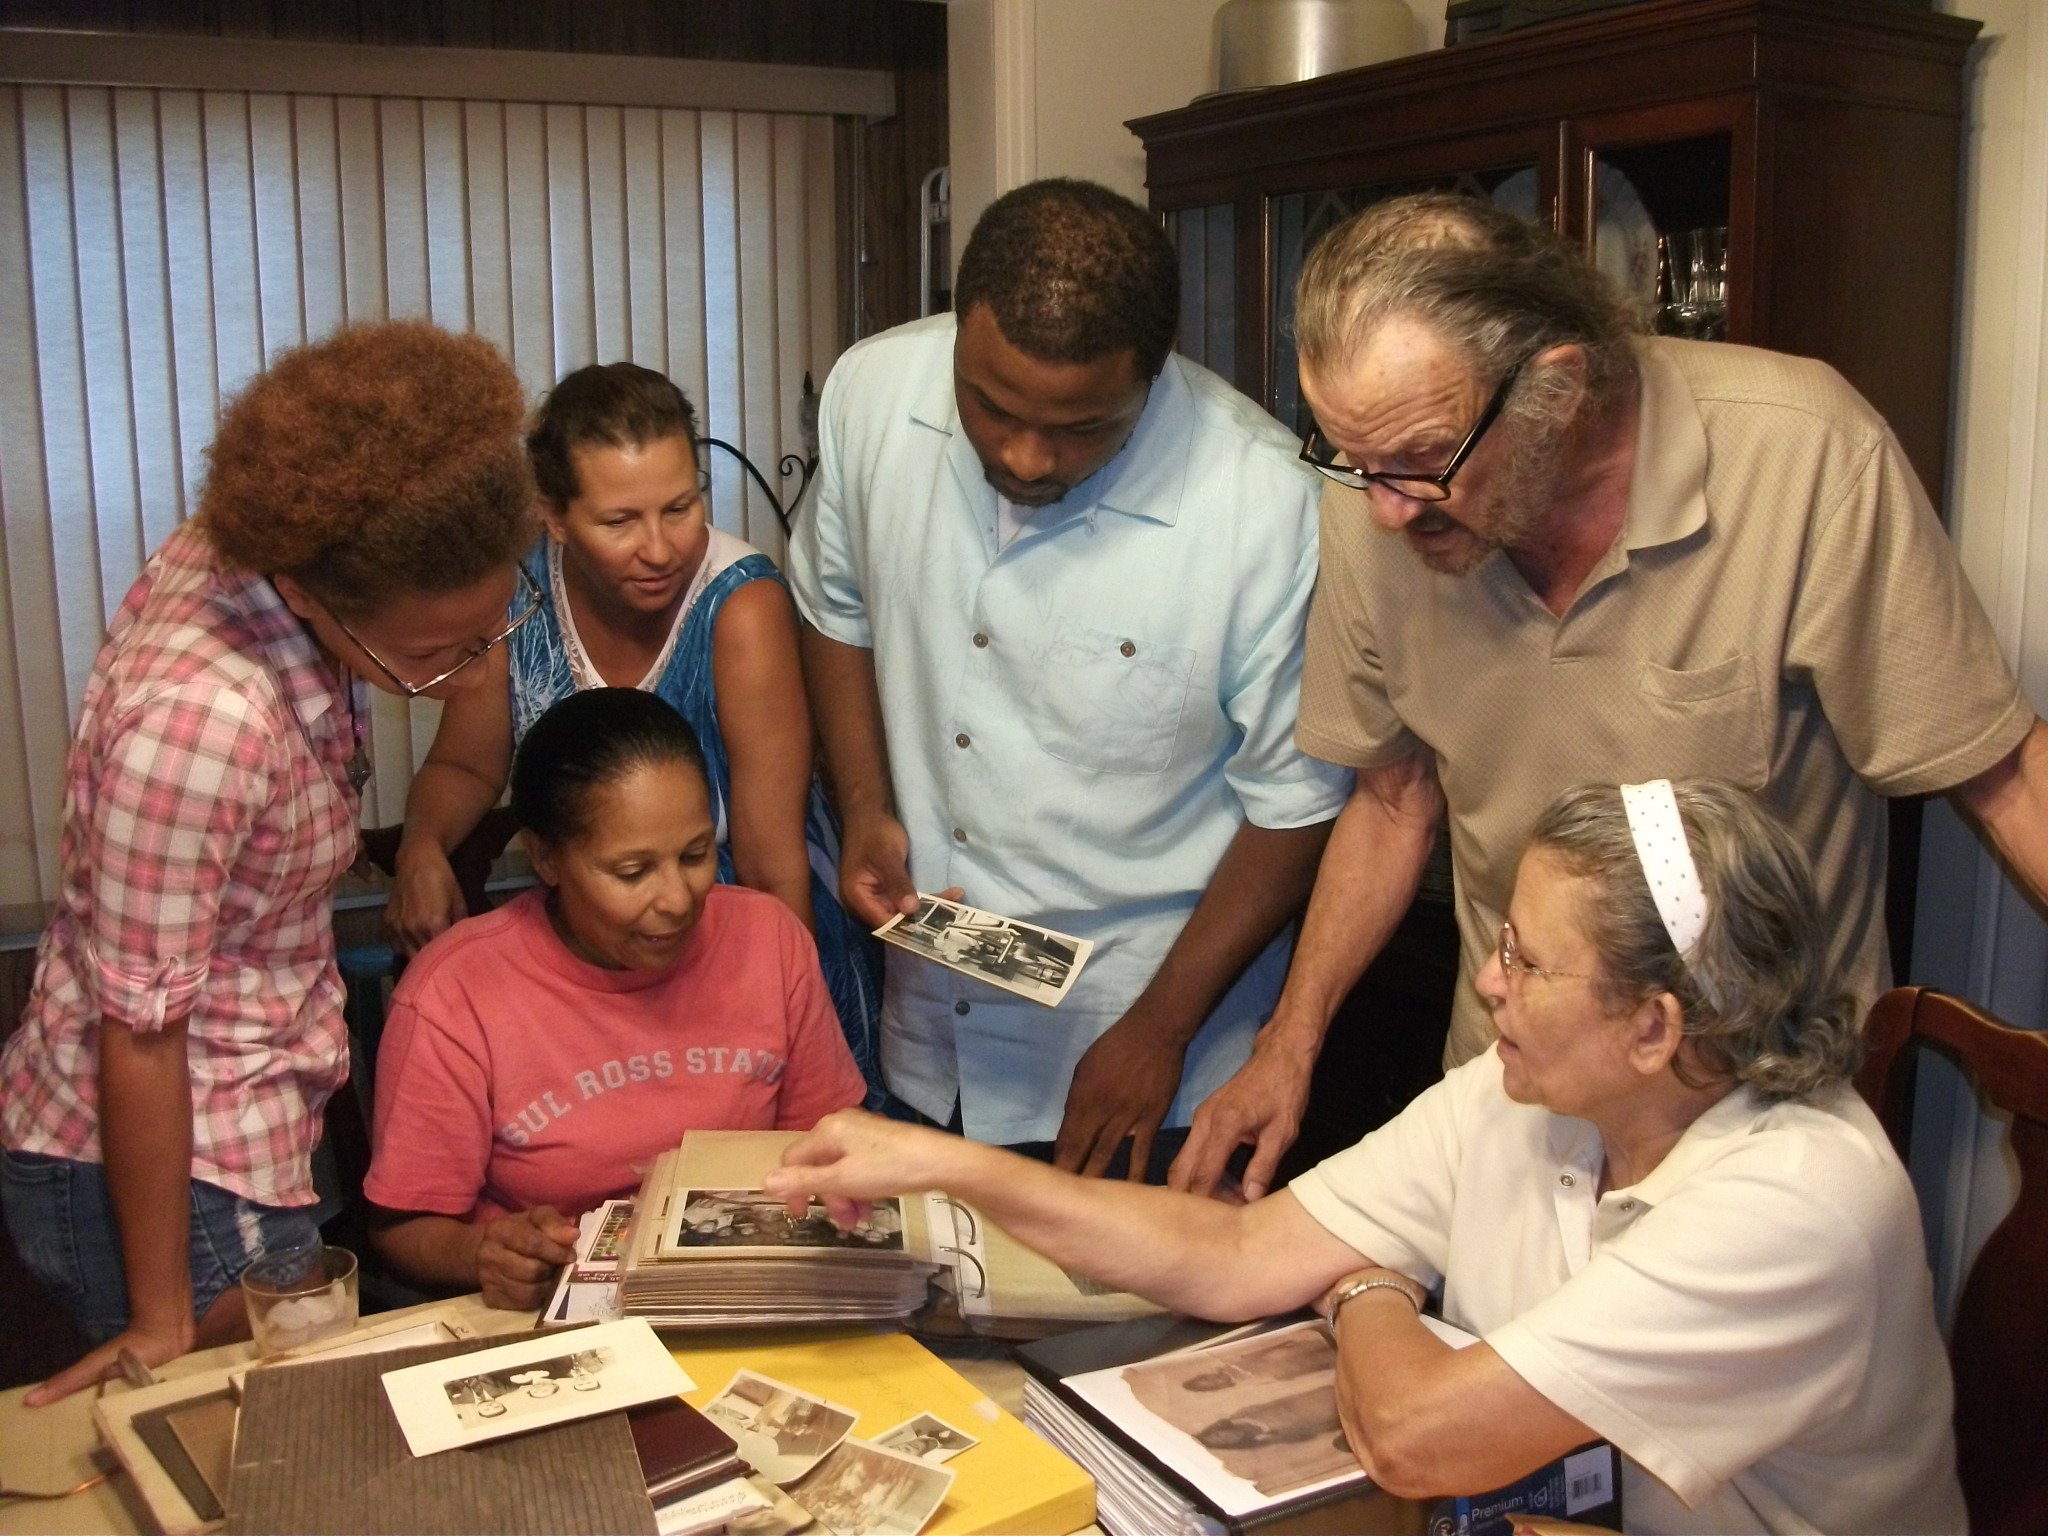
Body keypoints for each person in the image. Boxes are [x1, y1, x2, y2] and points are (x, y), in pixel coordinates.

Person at [765, 779, 1964, 1534]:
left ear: (1655, 1028)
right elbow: (1237, 1254)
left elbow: (1418, 1436)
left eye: (1529, 965)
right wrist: (949, 1168)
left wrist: (1366, 1285)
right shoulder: (1528, 1085)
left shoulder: (1793, 1200)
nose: (1487, 983)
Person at [1173, 190, 2048, 1198]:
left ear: (1557, 385)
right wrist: (1290, 1041)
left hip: (1753, 1124)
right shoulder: (1379, 498)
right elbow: (1390, 799)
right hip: (1508, 1098)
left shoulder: (1802, 454)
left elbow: (2004, 775)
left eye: (1419, 462)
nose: (1380, 507)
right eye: (1349, 459)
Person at [0, 321, 538, 1403]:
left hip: (258, 1092)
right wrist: (163, 1315)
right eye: (432, 655)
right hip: (172, 1150)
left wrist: (459, 650)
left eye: (490, 628)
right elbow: (141, 1031)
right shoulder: (198, 724)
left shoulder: (293, 537)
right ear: (302, 595)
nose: (472, 669)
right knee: (255, 1447)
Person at [788, 177, 1351, 1181]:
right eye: (989, 407)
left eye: (1084, 428)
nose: (1025, 454)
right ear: (956, 337)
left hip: (1145, 1054)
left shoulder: (1263, 507)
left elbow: (1296, 803)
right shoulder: (871, 395)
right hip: (930, 1030)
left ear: (1153, 376)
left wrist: (1159, 1032)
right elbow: (836, 607)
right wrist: (866, 801)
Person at [386, 362, 884, 1100]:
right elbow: (465, 766)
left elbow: (773, 864)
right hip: (593, 940)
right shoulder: (515, 592)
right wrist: (420, 844)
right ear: (553, 519)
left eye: (680, 508)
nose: (659, 548)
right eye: (619, 522)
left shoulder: (741, 606)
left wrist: (775, 1031)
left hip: (735, 931)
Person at [364, 688, 866, 1308]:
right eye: (632, 873)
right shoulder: (455, 993)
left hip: (744, 1286)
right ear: (546, 857)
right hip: (552, 1319)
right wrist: (485, 1251)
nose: (678, 899)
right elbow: (401, 1229)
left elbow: (826, 1139)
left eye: (696, 855)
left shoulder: (769, 939)